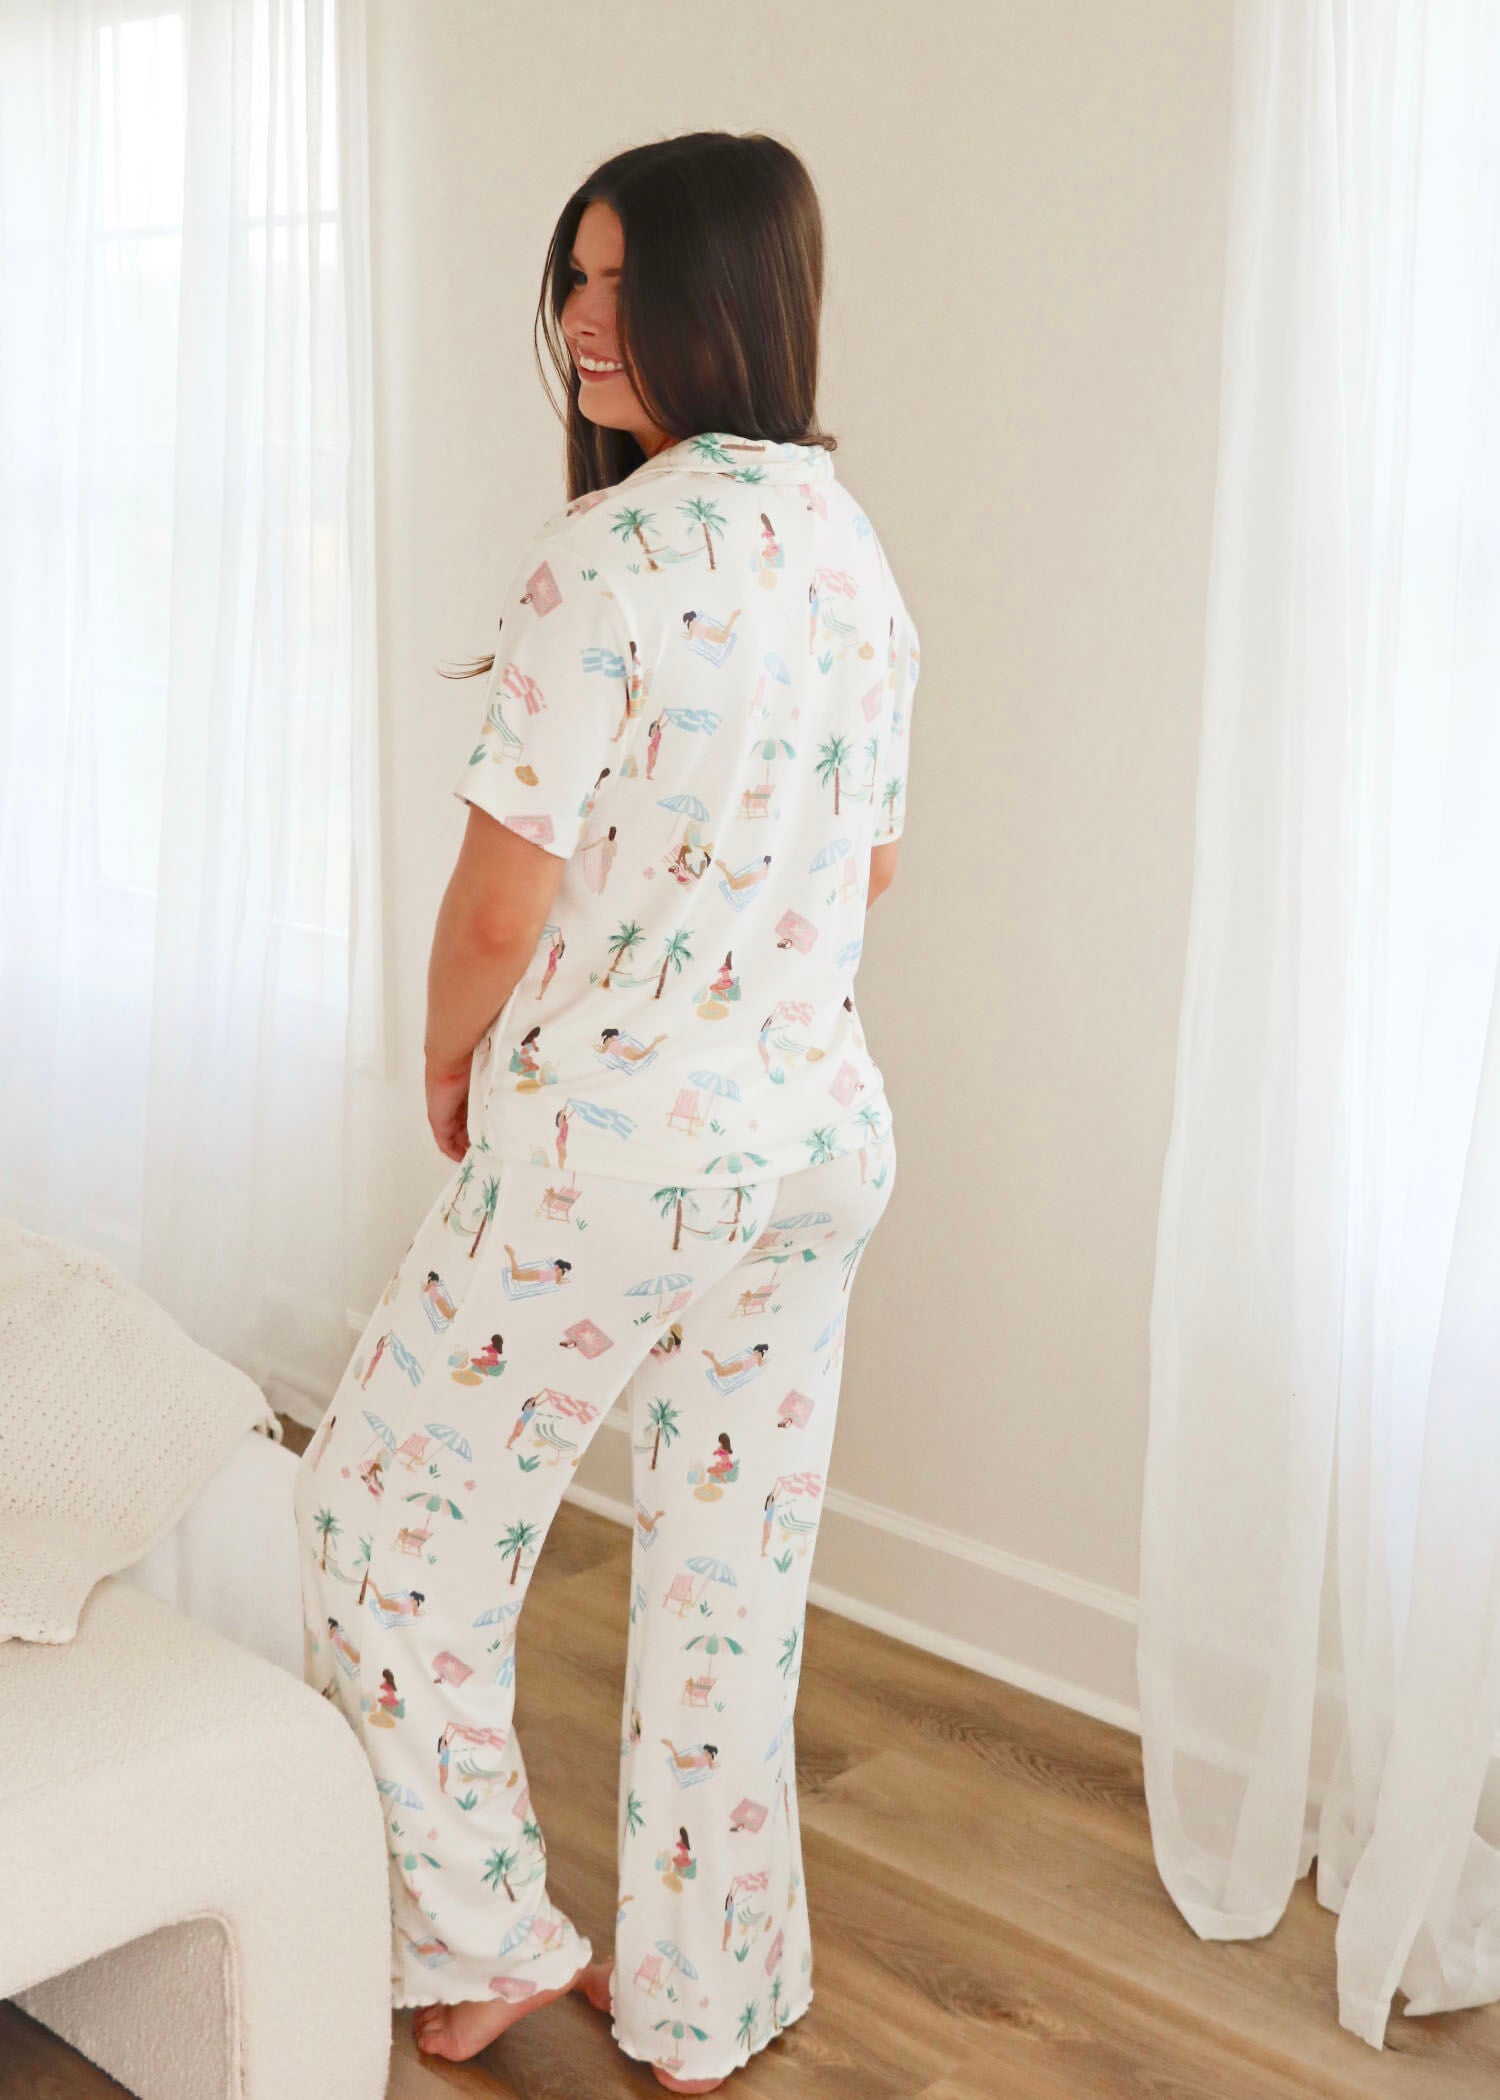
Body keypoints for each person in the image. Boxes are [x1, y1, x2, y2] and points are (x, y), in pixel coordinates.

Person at [292, 126, 920, 2095]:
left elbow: (500, 905)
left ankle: (483, 1941)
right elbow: (869, 872)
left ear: (733, 300)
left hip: (616, 1152)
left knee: (381, 1512)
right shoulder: (850, 549)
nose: (580, 319)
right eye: (572, 276)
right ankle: (709, 2002)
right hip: (815, 1145)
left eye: (622, 280)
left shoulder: (612, 557)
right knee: (732, 1583)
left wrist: (448, 1056)